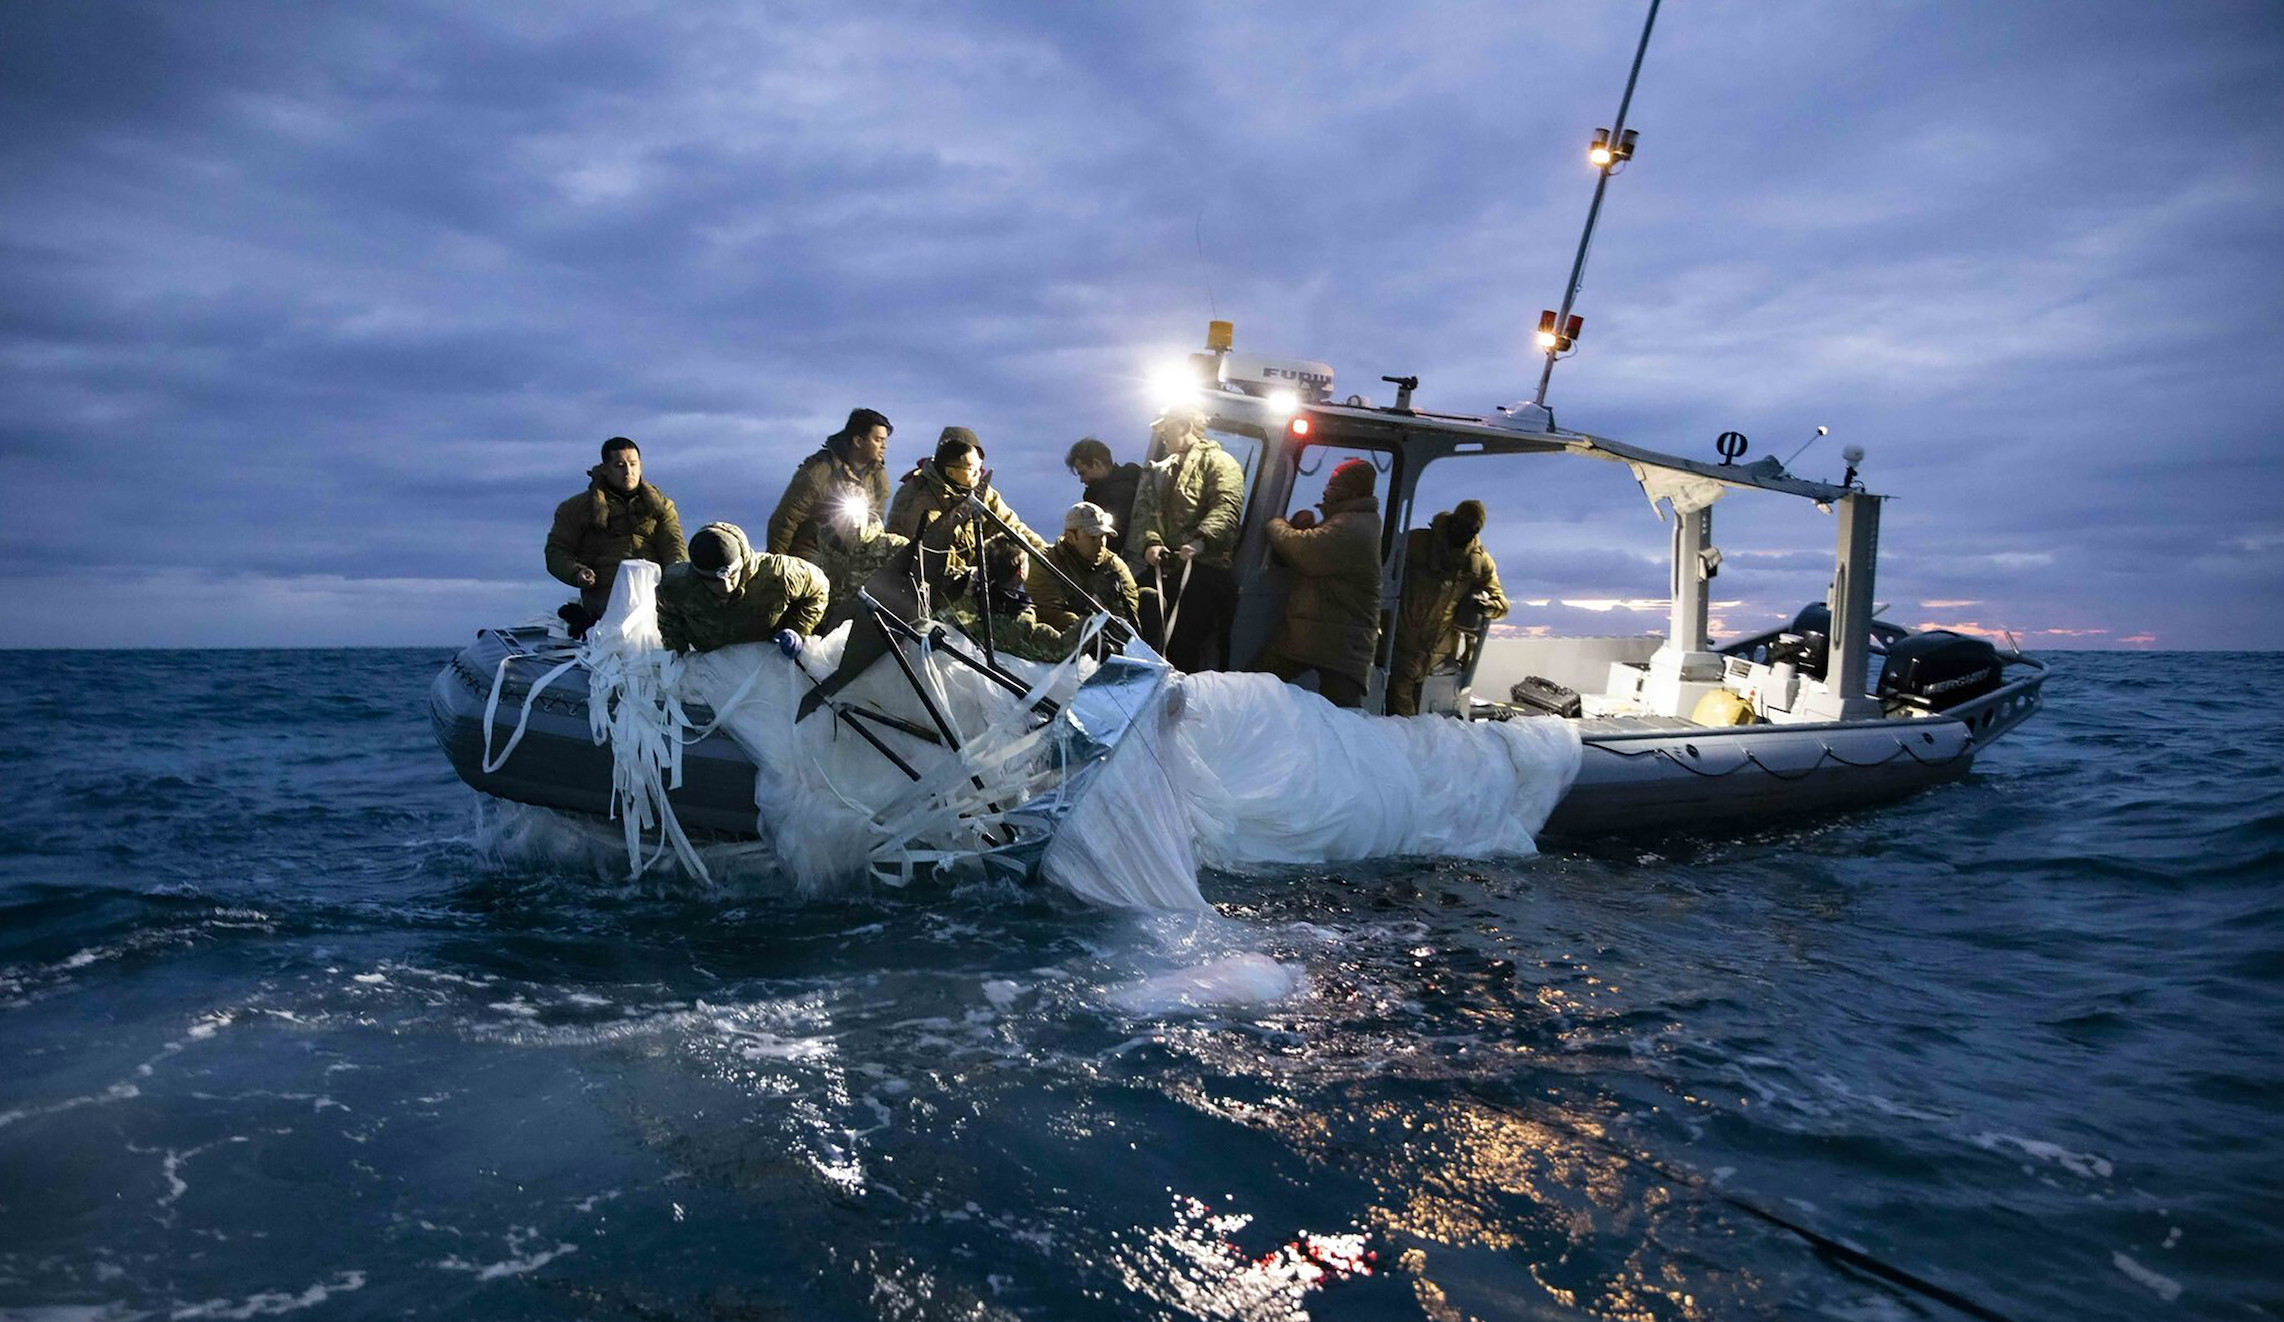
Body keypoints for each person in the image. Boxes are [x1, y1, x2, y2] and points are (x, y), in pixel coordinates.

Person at [1254, 458, 1383, 709]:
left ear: (1353, 491)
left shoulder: (1353, 526)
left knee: (1340, 719)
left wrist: (1276, 523)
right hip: (1327, 637)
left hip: (1338, 642)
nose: (1327, 490)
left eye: (1334, 485)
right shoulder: (1349, 521)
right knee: (1262, 682)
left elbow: (1305, 551)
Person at [1129, 406, 1244, 671]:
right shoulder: (1160, 470)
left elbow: (1226, 506)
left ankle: (1181, 698)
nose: (1163, 436)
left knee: (1184, 641)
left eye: (1166, 429)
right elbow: (1145, 511)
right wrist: (1150, 543)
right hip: (1163, 568)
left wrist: (1201, 540)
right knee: (1135, 615)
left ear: (1184, 426)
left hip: (1203, 568)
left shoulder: (1221, 463)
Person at [546, 436, 686, 627]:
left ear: (640, 466)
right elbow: (557, 551)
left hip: (654, 597)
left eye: (633, 464)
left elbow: (673, 545)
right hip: (604, 599)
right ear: (605, 469)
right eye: (620, 465)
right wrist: (577, 573)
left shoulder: (661, 507)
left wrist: (677, 574)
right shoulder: (575, 509)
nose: (628, 471)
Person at [1388, 499, 1509, 717]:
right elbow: (1384, 568)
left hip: (1437, 651)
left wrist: (1488, 606)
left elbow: (1501, 603)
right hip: (1399, 640)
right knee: (1399, 698)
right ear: (1452, 520)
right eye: (1461, 524)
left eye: (1472, 529)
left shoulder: (1479, 562)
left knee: (1423, 707)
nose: (1464, 532)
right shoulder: (1416, 542)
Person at [886, 427, 1048, 588]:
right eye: (972, 469)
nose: (979, 474)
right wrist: (977, 577)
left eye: (980, 468)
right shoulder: (918, 499)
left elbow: (1010, 526)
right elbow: (932, 556)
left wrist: (1045, 555)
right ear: (950, 472)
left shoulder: (980, 491)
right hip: (920, 586)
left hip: (969, 578)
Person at [656, 522, 828, 656]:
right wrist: (679, 656)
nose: (726, 586)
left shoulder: (778, 574)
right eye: (714, 582)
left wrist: (797, 630)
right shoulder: (677, 584)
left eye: (732, 576)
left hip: (770, 658)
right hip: (714, 662)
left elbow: (819, 589)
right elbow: (668, 617)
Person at [765, 407, 894, 560]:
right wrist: (777, 565)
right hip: (811, 554)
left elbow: (875, 524)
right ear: (858, 441)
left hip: (852, 559)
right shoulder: (819, 471)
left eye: (885, 440)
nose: (884, 446)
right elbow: (786, 520)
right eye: (878, 440)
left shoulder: (878, 477)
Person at [941, 535, 1088, 665]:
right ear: (1020, 571)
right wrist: (1089, 620)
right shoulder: (1016, 625)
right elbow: (1063, 650)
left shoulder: (959, 592)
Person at [1028, 501, 1139, 632]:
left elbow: (1128, 611)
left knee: (1150, 597)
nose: (1100, 544)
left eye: (1103, 536)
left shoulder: (1114, 565)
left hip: (1108, 637)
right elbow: (1050, 612)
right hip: (1064, 641)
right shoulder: (1045, 562)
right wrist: (1090, 632)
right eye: (1092, 537)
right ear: (1070, 537)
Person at [809, 504, 911, 637]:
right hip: (842, 644)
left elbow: (915, 587)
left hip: (892, 631)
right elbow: (815, 607)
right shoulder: (820, 565)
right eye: (838, 514)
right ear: (832, 521)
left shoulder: (893, 546)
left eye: (855, 513)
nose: (851, 521)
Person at [1063, 436, 1144, 558]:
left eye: (1083, 472)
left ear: (1096, 463)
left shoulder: (1118, 492)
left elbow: (1114, 538)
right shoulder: (1130, 483)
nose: (1082, 480)